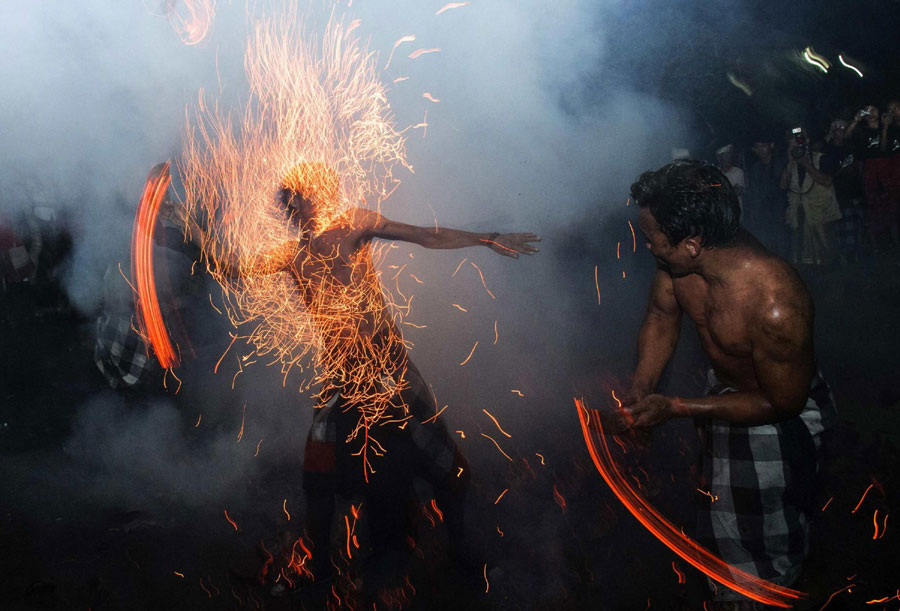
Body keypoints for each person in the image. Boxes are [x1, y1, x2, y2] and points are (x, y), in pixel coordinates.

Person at [173, 162, 540, 592]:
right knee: (319, 475)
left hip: (389, 370)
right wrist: (191, 231)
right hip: (342, 379)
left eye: (308, 195)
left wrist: (487, 238)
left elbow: (427, 235)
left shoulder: (354, 225)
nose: (305, 205)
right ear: (290, 208)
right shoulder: (293, 257)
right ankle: (322, 568)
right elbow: (233, 269)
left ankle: (459, 548)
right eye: (294, 201)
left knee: (448, 467)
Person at [620, 160, 836, 610]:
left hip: (778, 416)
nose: (647, 246)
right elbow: (661, 319)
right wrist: (642, 389)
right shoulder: (675, 266)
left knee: (766, 554)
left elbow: (782, 400)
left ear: (692, 243)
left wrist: (676, 407)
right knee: (721, 527)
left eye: (653, 237)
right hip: (724, 397)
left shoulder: (775, 301)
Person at [779, 129, 841, 265]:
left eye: (798, 143)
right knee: (803, 258)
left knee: (827, 254)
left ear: (807, 142)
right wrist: (789, 162)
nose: (796, 148)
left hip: (821, 217)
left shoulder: (821, 158)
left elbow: (827, 181)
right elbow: (783, 185)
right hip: (800, 217)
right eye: (792, 144)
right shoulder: (791, 164)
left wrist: (807, 165)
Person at [846, 104, 899, 253]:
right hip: (869, 171)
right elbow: (846, 137)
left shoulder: (890, 128)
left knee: (891, 206)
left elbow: (884, 149)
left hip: (887, 169)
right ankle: (876, 246)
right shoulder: (861, 131)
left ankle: (894, 244)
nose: (871, 113)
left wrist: (885, 128)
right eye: (867, 110)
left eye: (873, 109)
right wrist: (855, 120)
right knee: (873, 207)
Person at [744, 138, 789, 258]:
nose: (761, 150)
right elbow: (753, 193)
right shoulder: (755, 169)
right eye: (757, 147)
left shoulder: (782, 163)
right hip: (763, 215)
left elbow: (786, 190)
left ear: (771, 145)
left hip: (780, 212)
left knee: (783, 246)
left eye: (763, 146)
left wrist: (786, 210)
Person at [716, 144, 745, 210]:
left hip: (736, 211)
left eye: (729, 156)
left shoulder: (738, 172)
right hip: (721, 211)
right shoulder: (716, 172)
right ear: (720, 158)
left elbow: (739, 190)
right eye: (725, 156)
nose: (728, 158)